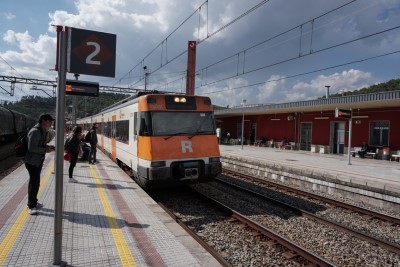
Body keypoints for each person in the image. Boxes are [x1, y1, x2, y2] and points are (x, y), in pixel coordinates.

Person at [24, 114, 55, 215]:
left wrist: (47, 147)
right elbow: (31, 148)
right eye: (50, 121)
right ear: (44, 121)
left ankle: (33, 201)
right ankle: (31, 206)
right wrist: (46, 149)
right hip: (32, 161)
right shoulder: (35, 131)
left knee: (34, 182)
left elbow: (39, 145)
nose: (51, 123)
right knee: (34, 183)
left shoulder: (42, 130)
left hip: (37, 160)